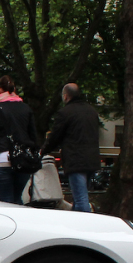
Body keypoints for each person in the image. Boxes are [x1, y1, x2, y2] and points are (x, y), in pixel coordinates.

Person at [41, 82, 100, 212]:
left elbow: (55, 137)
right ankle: (78, 222)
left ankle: (85, 225)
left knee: (80, 198)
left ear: (66, 96)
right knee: (81, 195)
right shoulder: (92, 111)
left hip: (75, 159)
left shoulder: (65, 113)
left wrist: (43, 151)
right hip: (92, 159)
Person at [0, 76, 39, 204]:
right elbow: (33, 136)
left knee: (6, 200)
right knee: (17, 197)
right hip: (23, 159)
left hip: (1, 159)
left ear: (0, 90)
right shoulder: (26, 108)